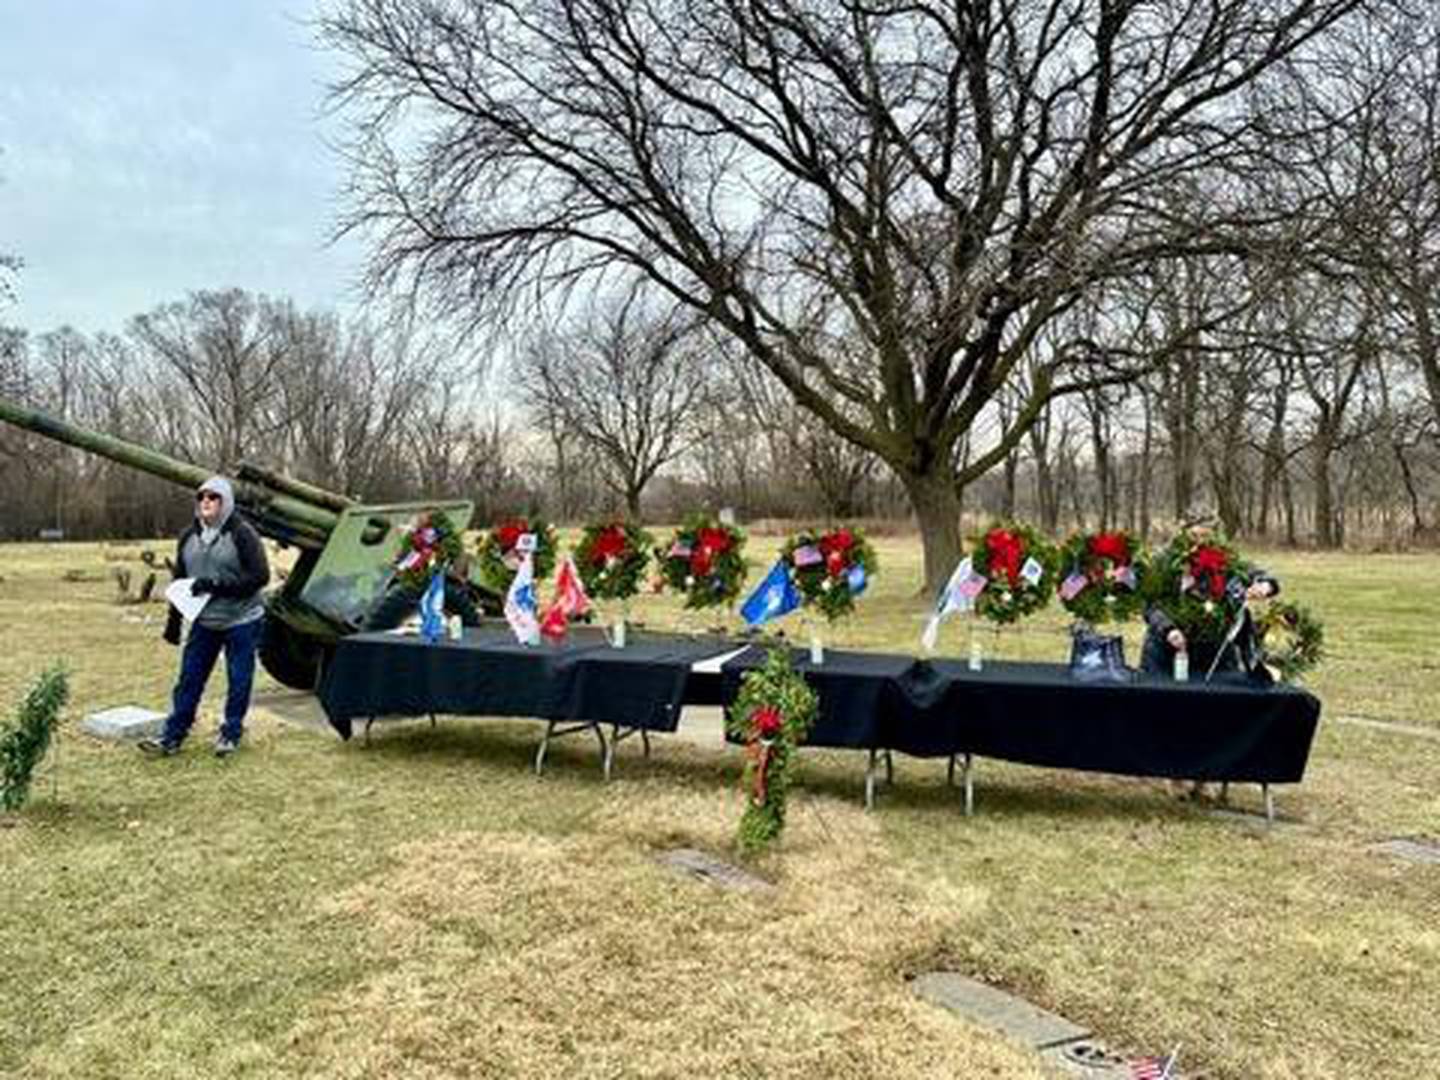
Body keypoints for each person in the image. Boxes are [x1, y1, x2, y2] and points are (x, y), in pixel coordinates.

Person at [139, 476, 269, 758]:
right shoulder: (189, 536)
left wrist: (213, 585)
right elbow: (180, 583)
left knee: (238, 678)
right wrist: (173, 624)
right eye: (202, 497)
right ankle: (172, 736)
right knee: (190, 679)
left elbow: (260, 577)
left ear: (226, 502)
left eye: (213, 497)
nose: (206, 502)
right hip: (205, 621)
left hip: (242, 619)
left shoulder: (241, 533)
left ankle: (230, 733)